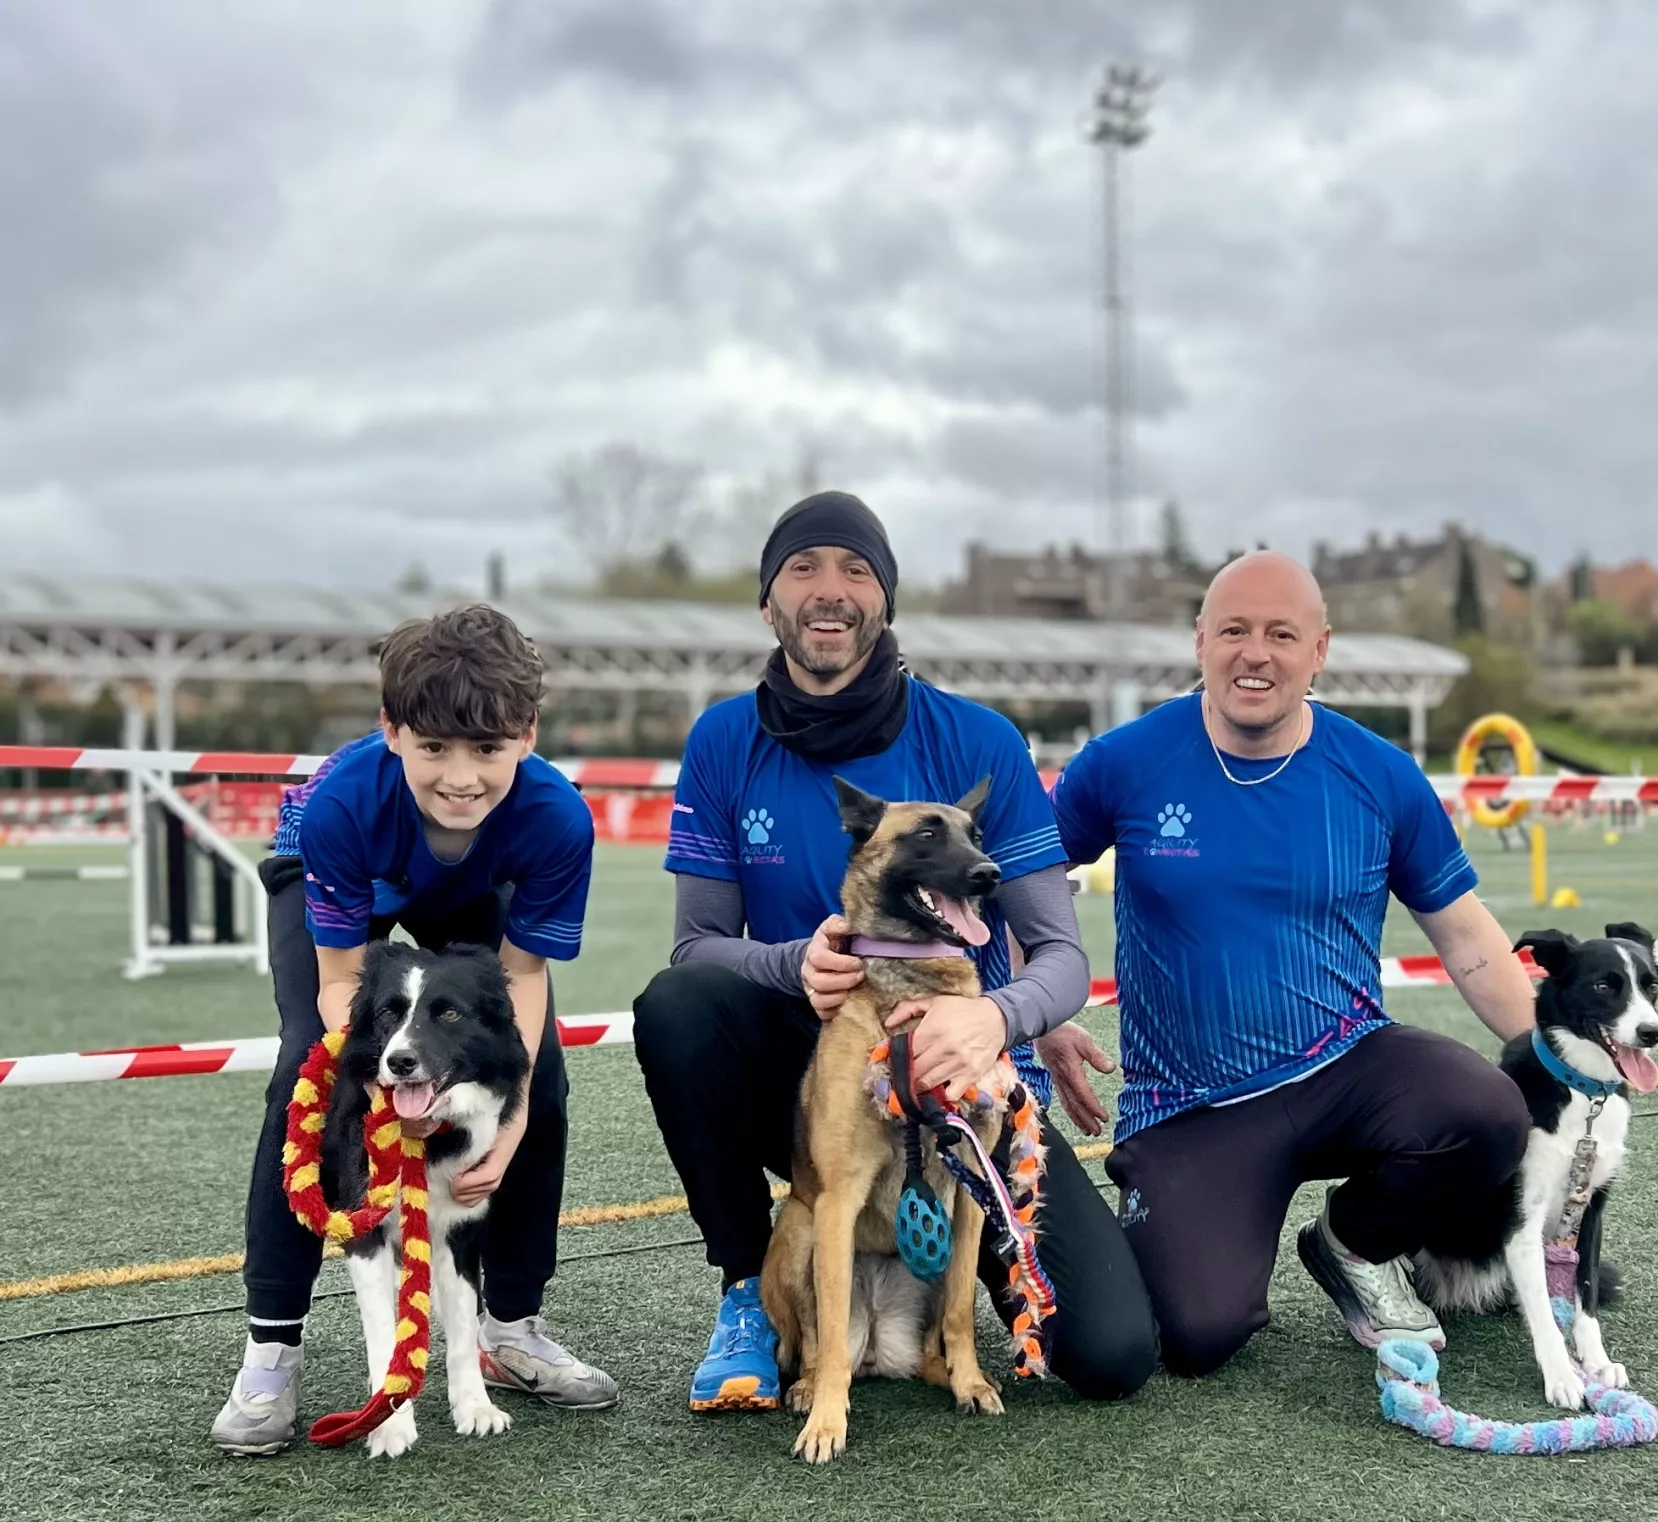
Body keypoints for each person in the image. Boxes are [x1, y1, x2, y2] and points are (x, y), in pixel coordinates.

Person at [631, 490, 1156, 1410]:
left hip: (961, 1082)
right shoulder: (723, 740)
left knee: (1111, 1351)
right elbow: (695, 950)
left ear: (885, 602)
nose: (830, 591)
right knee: (675, 1011)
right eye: (804, 569)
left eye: (856, 570)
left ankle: (953, 1306)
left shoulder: (977, 736)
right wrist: (789, 963)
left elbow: (1061, 960)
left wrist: (997, 1015)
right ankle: (747, 1291)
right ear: (769, 603)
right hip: (806, 1068)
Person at [1032, 552, 1535, 1376]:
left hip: (1347, 1067)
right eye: (1234, 631)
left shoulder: (1378, 772)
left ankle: (1355, 1245)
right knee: (1192, 1335)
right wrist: (1044, 1013)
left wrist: (1551, 1058)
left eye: (1280, 634)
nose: (1254, 654)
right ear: (1200, 642)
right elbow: (1027, 883)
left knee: (1488, 1111)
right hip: (1192, 1105)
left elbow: (1468, 937)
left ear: (1319, 650)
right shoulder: (1123, 763)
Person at [210, 604, 618, 1454]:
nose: (461, 775)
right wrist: (382, 1086)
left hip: (475, 889)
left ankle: (509, 1327)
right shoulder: (343, 805)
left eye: (488, 750)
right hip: (343, 885)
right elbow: (338, 981)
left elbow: (525, 978)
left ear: (528, 736)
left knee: (535, 1075)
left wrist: (510, 1120)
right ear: (391, 730)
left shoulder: (554, 818)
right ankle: (271, 1349)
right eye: (434, 747)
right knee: (308, 1070)